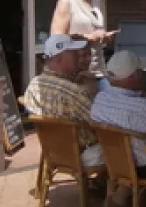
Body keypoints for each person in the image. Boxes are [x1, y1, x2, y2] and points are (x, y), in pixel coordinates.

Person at [24, 34, 103, 167]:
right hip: (81, 154)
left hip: (52, 152)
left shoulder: (33, 85)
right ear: (60, 57)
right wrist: (93, 90)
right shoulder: (72, 92)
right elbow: (99, 122)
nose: (78, 56)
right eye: (73, 53)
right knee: (123, 146)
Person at [50, 0, 113, 91]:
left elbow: (94, 28)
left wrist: (104, 36)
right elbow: (56, 40)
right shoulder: (67, 2)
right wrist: (89, 37)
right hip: (78, 73)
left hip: (98, 69)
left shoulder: (95, 1)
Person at [91, 50, 146, 178]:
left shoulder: (100, 98)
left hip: (112, 163)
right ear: (136, 75)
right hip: (144, 167)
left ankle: (123, 190)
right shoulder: (143, 107)